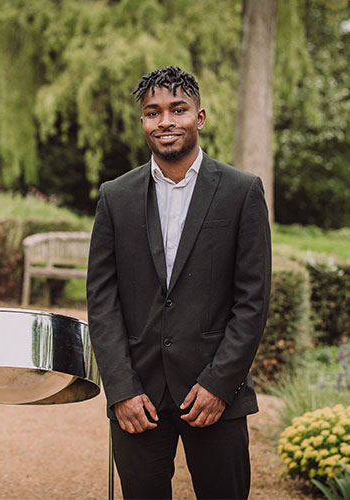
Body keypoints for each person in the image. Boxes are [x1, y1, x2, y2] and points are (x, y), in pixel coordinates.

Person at [86, 66, 271, 500]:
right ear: (143, 122)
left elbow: (253, 299)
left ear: (199, 117)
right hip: (138, 398)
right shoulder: (115, 196)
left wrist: (220, 384)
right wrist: (121, 389)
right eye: (153, 112)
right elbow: (102, 300)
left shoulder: (242, 192)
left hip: (216, 394)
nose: (165, 121)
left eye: (178, 109)